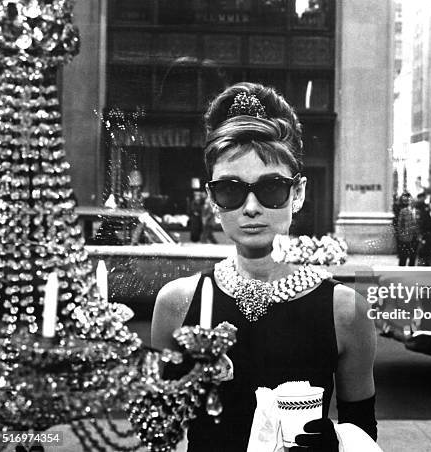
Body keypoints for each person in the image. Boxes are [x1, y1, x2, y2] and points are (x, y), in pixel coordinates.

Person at [151, 83, 377, 451]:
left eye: (271, 188)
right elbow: (161, 434)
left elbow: (363, 430)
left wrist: (334, 442)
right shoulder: (176, 302)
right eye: (230, 190)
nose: (251, 207)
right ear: (212, 200)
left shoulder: (346, 310)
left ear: (298, 193)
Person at [396, 192, 420, 266]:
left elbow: (419, 223)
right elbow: (400, 224)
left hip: (415, 237)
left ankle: (411, 270)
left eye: (414, 202)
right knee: (403, 256)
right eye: (412, 201)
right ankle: (401, 270)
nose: (413, 203)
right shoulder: (403, 211)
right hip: (405, 237)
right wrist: (401, 235)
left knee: (413, 256)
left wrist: (419, 235)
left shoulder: (418, 212)